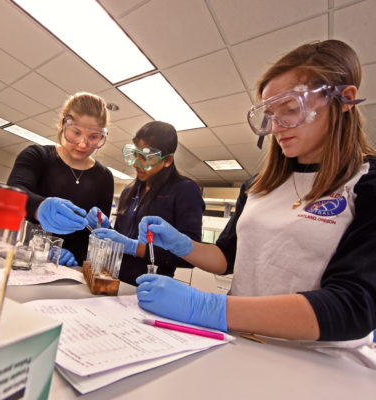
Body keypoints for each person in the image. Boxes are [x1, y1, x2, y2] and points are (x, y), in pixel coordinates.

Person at [135, 40, 376, 368]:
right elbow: (226, 259)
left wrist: (209, 308)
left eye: (290, 109)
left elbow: (354, 305)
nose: (276, 128)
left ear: (344, 99)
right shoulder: (260, 185)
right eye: (270, 115)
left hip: (320, 365)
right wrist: (181, 244)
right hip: (240, 344)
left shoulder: (365, 182)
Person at [7, 92, 114, 266]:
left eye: (94, 137)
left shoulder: (104, 177)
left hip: (75, 268)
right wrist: (40, 207)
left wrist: (100, 228)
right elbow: (14, 192)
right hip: (29, 260)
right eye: (76, 132)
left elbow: (98, 235)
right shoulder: (37, 156)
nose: (82, 144)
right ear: (64, 125)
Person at [94, 121, 205, 286]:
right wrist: (106, 230)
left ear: (167, 160)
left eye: (145, 158)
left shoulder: (184, 190)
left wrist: (135, 248)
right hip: (114, 282)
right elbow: (122, 238)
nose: (136, 164)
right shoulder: (129, 191)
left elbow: (190, 257)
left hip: (150, 288)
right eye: (136, 155)